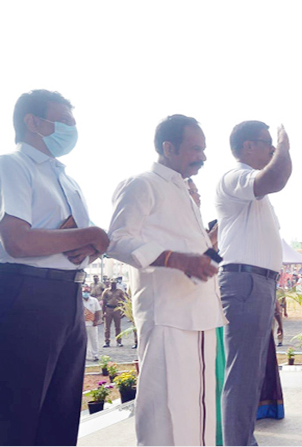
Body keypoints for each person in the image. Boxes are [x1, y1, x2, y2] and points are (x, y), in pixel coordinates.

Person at [0, 90, 109, 446]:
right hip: (27, 294)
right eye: (63, 121)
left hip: (68, 294)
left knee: (60, 413)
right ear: (32, 121)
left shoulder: (67, 179)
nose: (71, 130)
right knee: (18, 414)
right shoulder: (12, 165)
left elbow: (87, 247)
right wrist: (89, 235)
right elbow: (18, 241)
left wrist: (88, 240)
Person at [107, 114, 224, 445]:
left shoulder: (185, 191)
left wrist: (207, 250)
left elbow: (195, 251)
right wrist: (174, 259)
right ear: (168, 148)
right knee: (165, 411)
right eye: (195, 148)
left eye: (203, 149)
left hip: (201, 313)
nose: (203, 156)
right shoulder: (141, 184)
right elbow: (116, 241)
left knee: (198, 410)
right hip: (167, 315)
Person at [214, 119, 293, 446]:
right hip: (244, 281)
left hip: (256, 282)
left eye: (274, 145)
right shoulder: (236, 176)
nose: (272, 149)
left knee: (250, 373)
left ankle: (244, 439)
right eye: (266, 143)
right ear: (248, 146)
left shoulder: (251, 188)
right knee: (243, 374)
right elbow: (276, 178)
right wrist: (284, 144)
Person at [102, 279, 131, 347]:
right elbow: (103, 302)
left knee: (118, 327)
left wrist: (123, 310)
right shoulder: (106, 291)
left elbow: (125, 300)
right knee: (107, 327)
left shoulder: (119, 291)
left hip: (117, 309)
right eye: (112, 284)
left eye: (114, 284)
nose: (113, 285)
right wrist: (103, 312)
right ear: (110, 284)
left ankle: (119, 341)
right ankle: (107, 341)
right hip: (108, 309)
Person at [83, 288, 102, 361]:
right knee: (83, 341)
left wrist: (96, 321)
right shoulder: (79, 300)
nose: (86, 293)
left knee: (94, 340)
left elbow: (98, 311)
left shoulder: (94, 300)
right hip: (82, 324)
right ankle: (84, 355)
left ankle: (95, 355)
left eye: (87, 292)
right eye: (84, 292)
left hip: (92, 323)